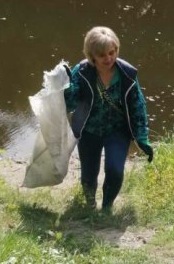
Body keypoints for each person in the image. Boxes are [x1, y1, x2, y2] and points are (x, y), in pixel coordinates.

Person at [63, 26, 153, 212]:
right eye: (102, 55)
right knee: (89, 174)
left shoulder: (127, 74)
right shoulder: (81, 72)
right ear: (92, 55)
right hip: (89, 130)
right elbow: (70, 104)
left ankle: (106, 207)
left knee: (115, 170)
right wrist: (65, 86)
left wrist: (142, 136)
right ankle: (89, 203)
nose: (109, 58)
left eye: (112, 52)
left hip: (117, 130)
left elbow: (138, 105)